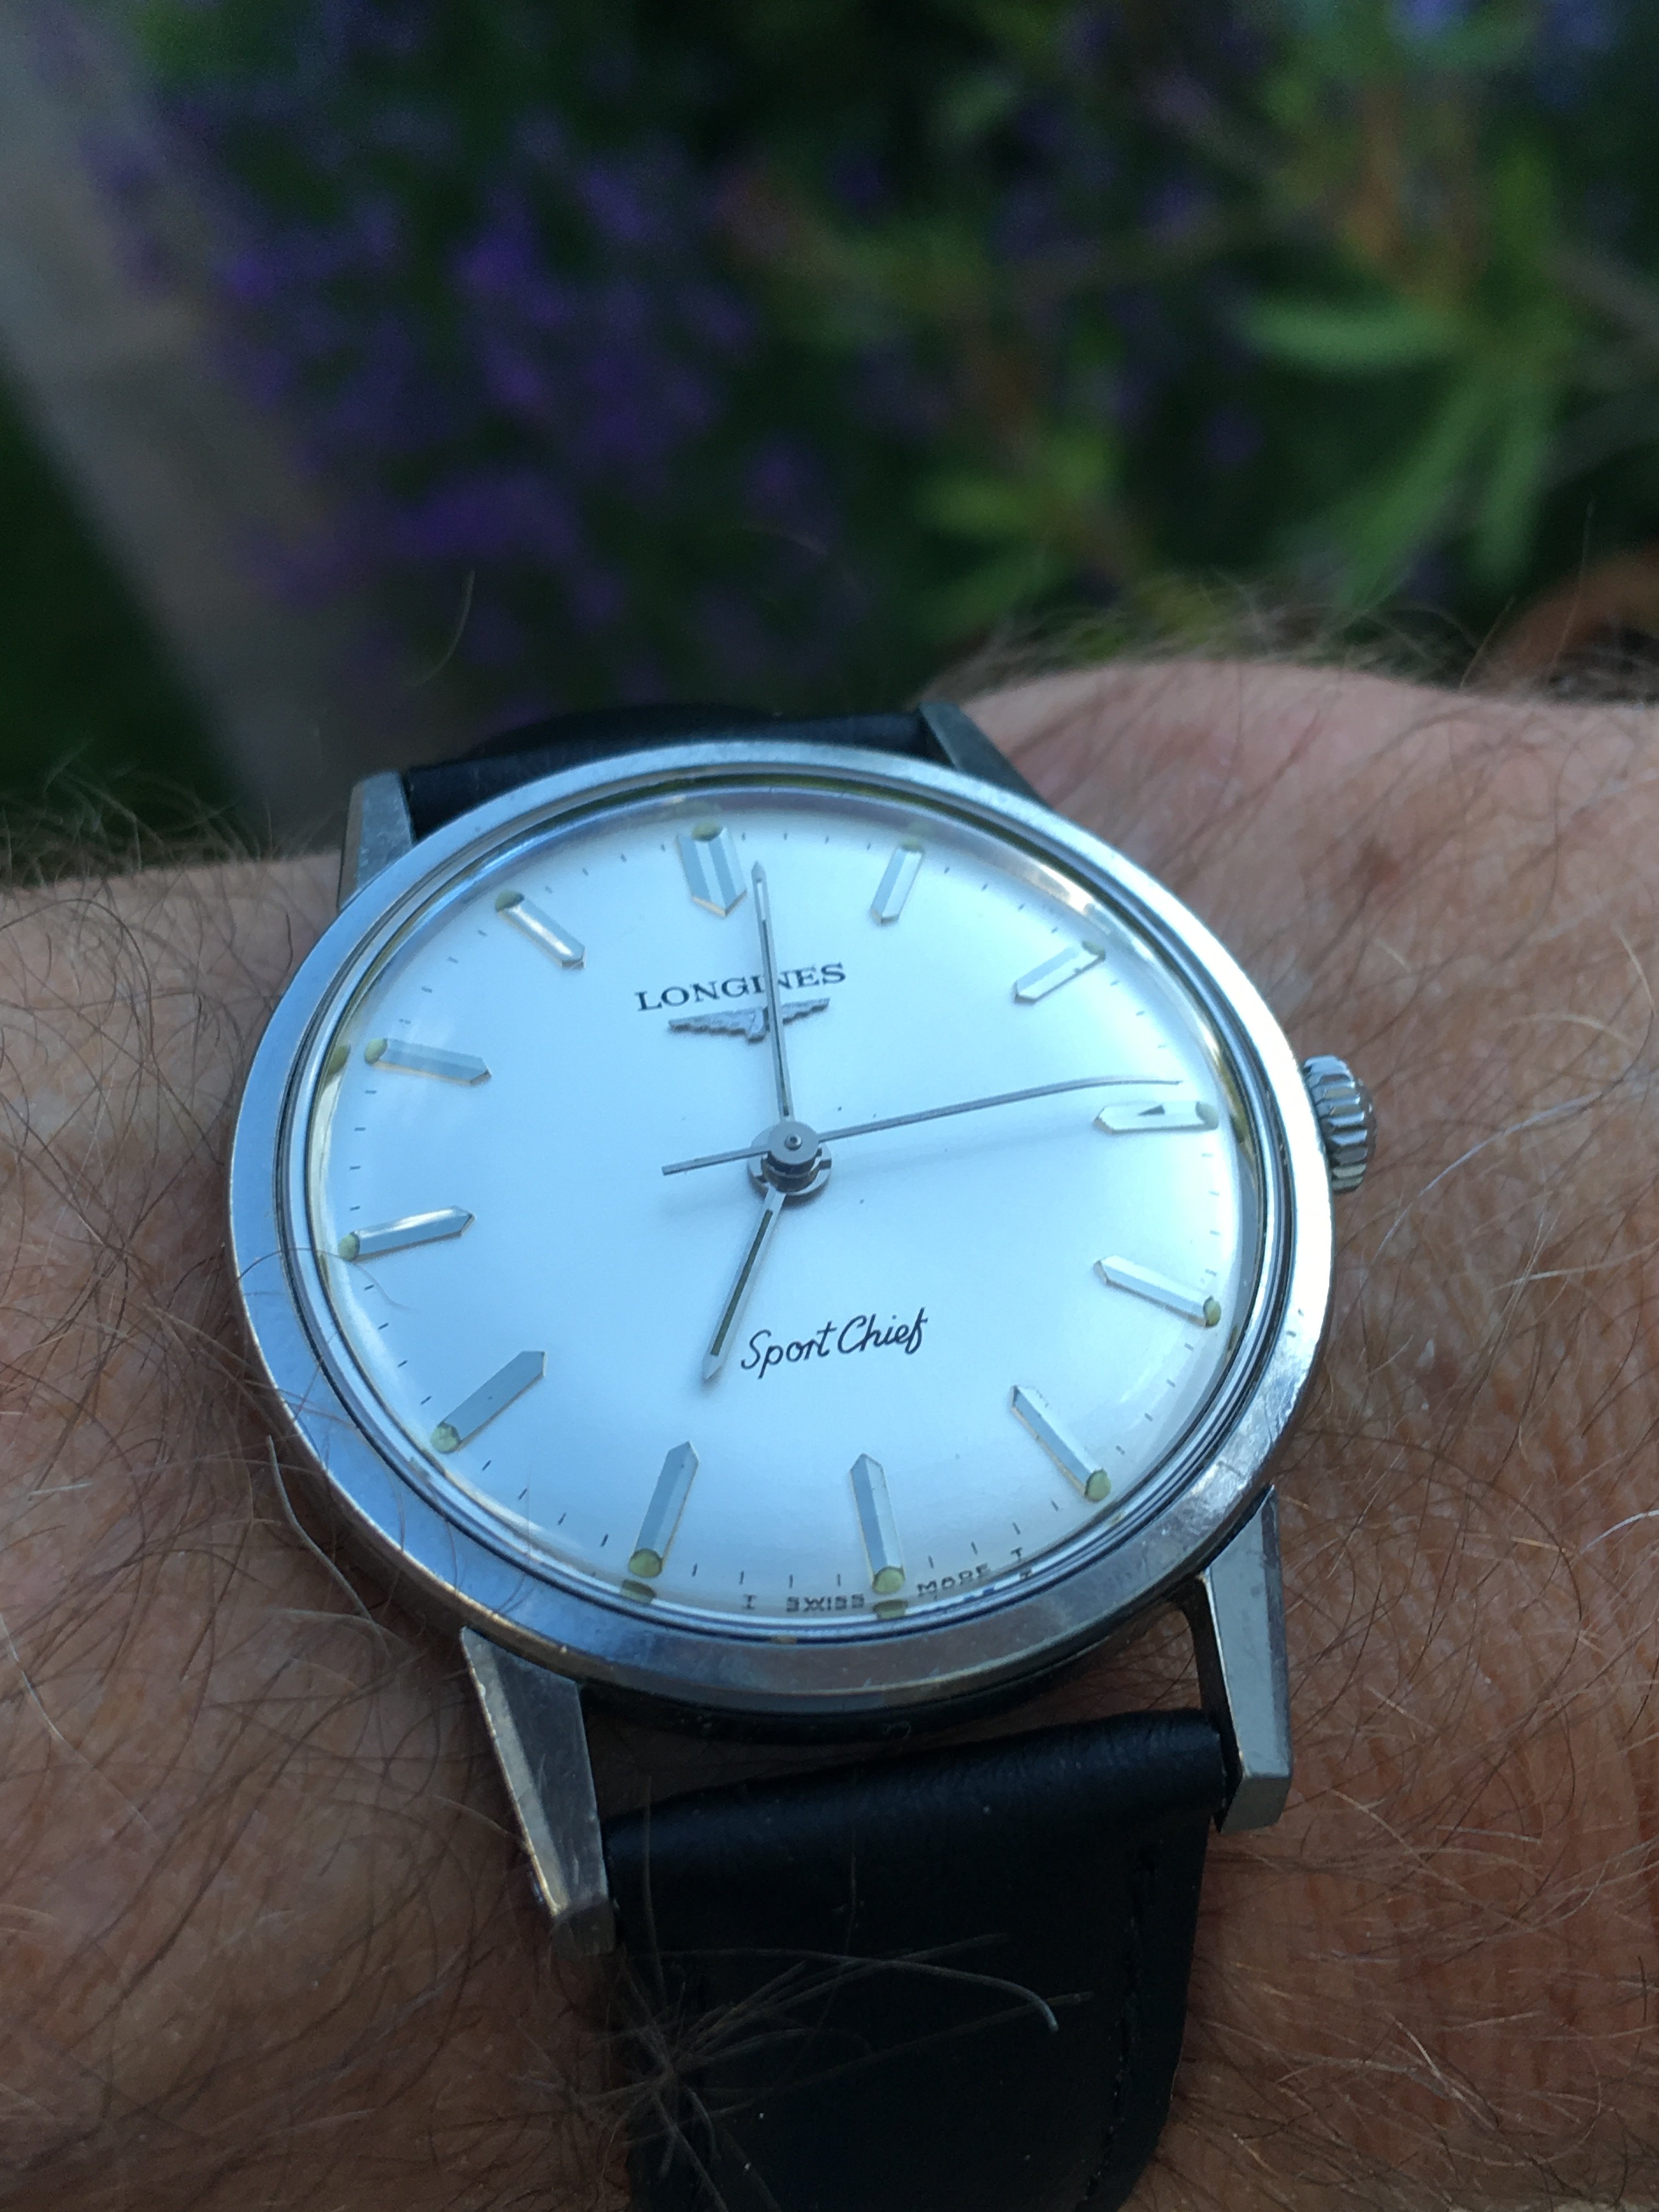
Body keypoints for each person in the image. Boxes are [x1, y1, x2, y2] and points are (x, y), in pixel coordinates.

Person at [1, 654, 1654, 2210]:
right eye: (779, 1155)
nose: (791, 1155)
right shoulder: (379, 1123)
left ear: (1311, 1127)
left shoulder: (1061, 967)